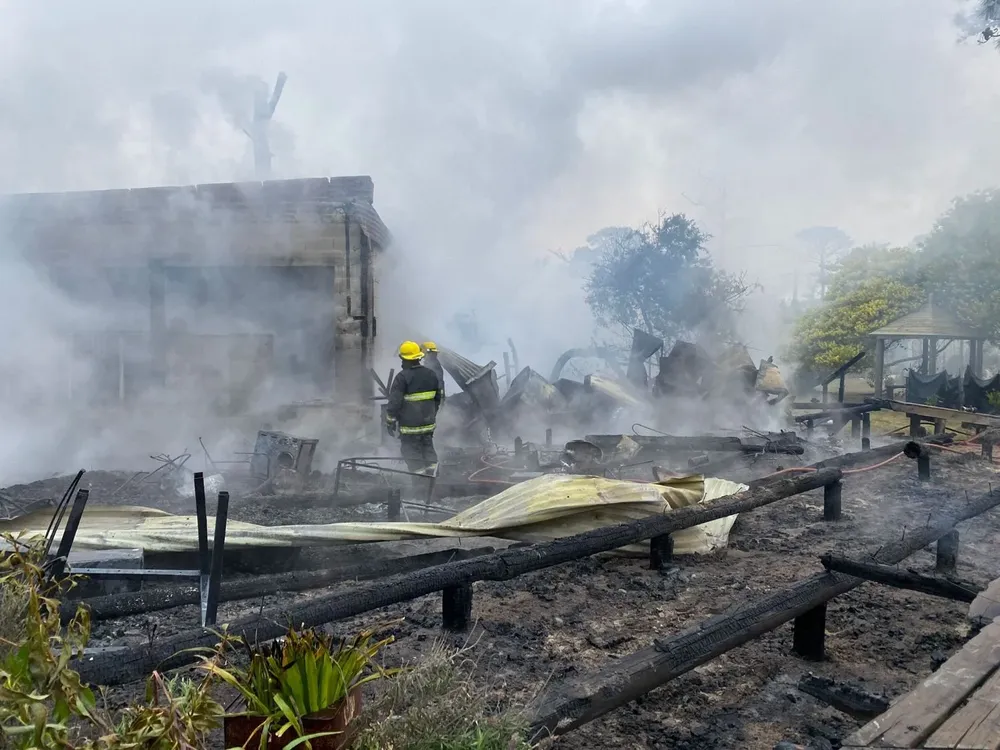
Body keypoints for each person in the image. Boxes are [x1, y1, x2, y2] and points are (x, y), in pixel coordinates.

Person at [386, 340, 443, 482]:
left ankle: (420, 486)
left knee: (412, 454)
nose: (401, 362)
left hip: (410, 428)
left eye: (402, 359)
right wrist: (431, 415)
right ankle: (433, 483)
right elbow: (438, 398)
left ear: (406, 360)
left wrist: (390, 421)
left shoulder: (402, 377)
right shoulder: (431, 374)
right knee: (429, 451)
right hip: (428, 425)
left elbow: (395, 403)